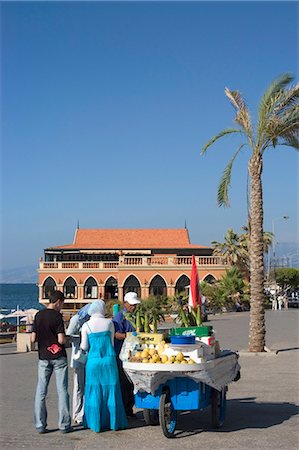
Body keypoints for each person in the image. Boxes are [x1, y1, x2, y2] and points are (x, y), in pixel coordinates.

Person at [80, 300, 127, 432]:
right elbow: (111, 343)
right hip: (109, 361)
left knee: (94, 390)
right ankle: (113, 422)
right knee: (111, 389)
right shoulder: (109, 323)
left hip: (93, 362)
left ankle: (95, 423)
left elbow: (84, 346)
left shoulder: (86, 326)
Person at [31, 290, 72, 434]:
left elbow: (32, 339)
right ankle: (64, 424)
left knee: (41, 391)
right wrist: (67, 339)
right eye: (62, 304)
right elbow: (61, 340)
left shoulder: (38, 315)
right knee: (62, 391)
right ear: (58, 302)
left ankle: (40, 424)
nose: (62, 307)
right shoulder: (57, 316)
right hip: (58, 357)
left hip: (43, 357)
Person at [112, 291, 140, 417]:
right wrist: (128, 336)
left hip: (134, 353)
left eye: (135, 305)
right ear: (125, 303)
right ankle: (124, 409)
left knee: (133, 382)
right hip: (122, 353)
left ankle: (130, 407)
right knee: (124, 382)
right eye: (131, 305)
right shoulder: (119, 317)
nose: (133, 307)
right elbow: (115, 334)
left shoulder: (137, 316)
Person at [66, 303, 91, 425]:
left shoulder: (90, 319)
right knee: (79, 386)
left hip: (88, 356)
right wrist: (80, 336)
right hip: (78, 357)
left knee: (87, 385)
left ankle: (86, 412)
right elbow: (68, 335)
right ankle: (77, 414)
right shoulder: (76, 319)